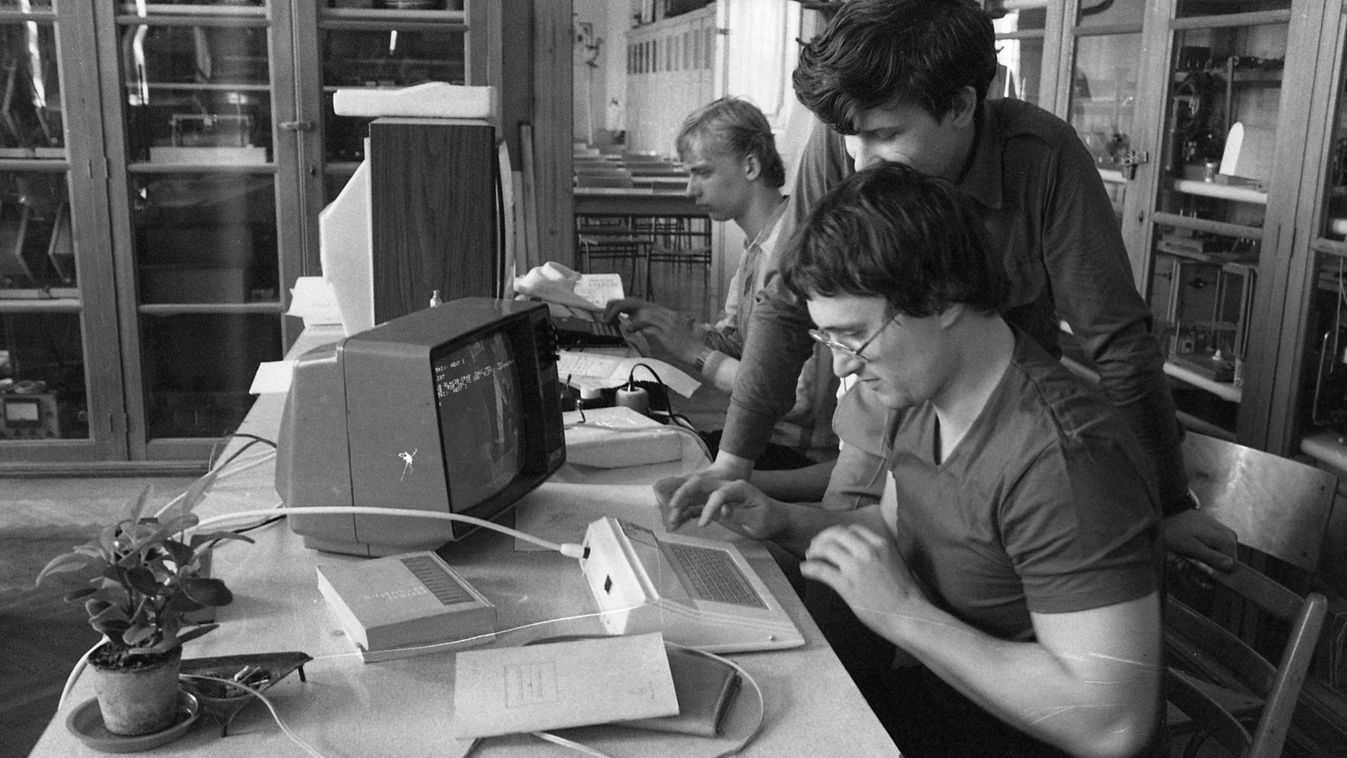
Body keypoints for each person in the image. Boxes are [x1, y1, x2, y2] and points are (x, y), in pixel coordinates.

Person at [665, 0, 1238, 563]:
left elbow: (1118, 341)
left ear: (962, 105)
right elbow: (785, 303)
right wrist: (733, 462)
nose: (860, 162)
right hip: (881, 412)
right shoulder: (848, 136)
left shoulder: (1040, 157)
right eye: (850, 138)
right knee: (837, 578)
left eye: (885, 134)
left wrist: (1170, 500)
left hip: (1001, 436)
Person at [665, 163, 1163, 758]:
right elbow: (897, 532)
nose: (843, 365)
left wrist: (905, 615)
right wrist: (780, 520)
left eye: (854, 336)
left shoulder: (1066, 459)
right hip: (948, 713)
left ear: (943, 299)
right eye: (829, 339)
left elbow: (1112, 725)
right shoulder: (921, 394)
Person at [602, 96, 838, 471]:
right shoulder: (757, 245)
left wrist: (695, 353)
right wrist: (666, 324)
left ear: (750, 166)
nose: (689, 190)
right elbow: (742, 346)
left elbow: (794, 396)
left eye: (702, 173)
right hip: (760, 440)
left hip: (795, 456)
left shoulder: (794, 252)